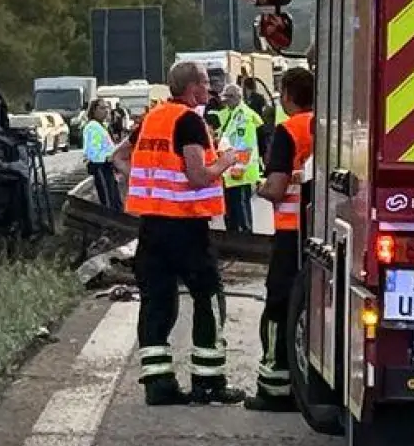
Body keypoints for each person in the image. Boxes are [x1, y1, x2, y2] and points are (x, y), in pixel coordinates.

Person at [112, 61, 246, 407]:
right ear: (193, 88)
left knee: (157, 303)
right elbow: (198, 175)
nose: (210, 90)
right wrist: (227, 161)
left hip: (152, 227)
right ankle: (209, 383)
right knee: (208, 297)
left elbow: (120, 157)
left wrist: (147, 181)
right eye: (205, 83)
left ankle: (158, 385)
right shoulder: (190, 121)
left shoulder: (152, 118)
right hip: (186, 228)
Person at [246, 67, 315, 412]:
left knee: (278, 306)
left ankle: (275, 386)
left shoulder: (289, 130)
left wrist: (260, 187)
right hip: (321, 231)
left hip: (291, 233)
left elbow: (275, 188)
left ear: (287, 95)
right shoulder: (331, 124)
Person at [213, 84, 261, 235]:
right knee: (231, 209)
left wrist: (238, 167)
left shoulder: (244, 115)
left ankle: (245, 240)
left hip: (239, 169)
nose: (226, 102)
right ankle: (233, 239)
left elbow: (244, 143)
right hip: (229, 168)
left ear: (237, 98)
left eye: (229, 98)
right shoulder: (230, 113)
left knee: (240, 210)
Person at [82, 99, 122, 211]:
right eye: (102, 108)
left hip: (107, 166)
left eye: (107, 108)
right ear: (94, 110)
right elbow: (93, 149)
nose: (106, 111)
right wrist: (107, 158)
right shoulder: (92, 126)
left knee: (114, 197)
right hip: (100, 165)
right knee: (108, 198)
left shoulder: (102, 125)